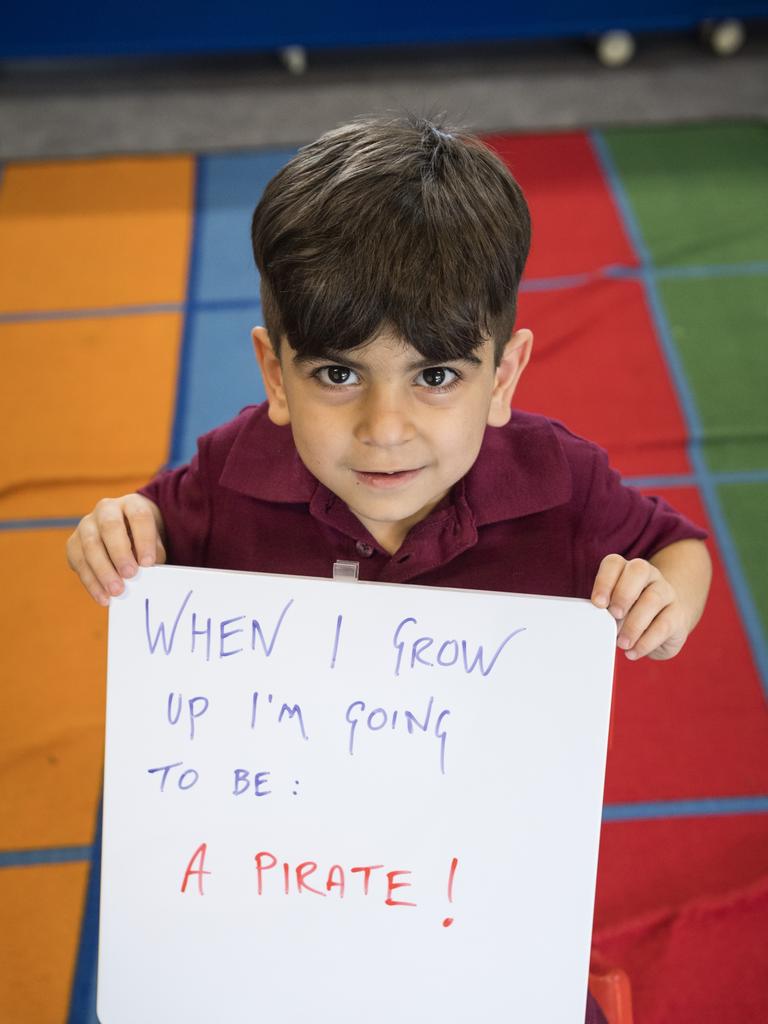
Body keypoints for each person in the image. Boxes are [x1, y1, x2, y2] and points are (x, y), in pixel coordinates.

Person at [66, 112, 712, 1022]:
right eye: (337, 374)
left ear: (507, 374)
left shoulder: (557, 483)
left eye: (436, 375)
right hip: (276, 909)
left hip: (478, 917)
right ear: (274, 372)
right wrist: (113, 532)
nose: (385, 426)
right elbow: (145, 540)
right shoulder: (231, 472)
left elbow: (674, 547)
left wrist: (666, 602)